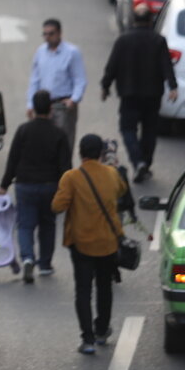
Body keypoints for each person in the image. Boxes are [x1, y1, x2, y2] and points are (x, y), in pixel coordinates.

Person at [52, 134, 127, 354]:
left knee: (83, 290)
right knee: (105, 286)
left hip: (81, 242)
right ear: (101, 154)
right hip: (108, 242)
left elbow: (58, 206)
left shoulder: (71, 177)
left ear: (80, 153)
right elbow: (121, 190)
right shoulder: (111, 174)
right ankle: (102, 330)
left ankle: (88, 339)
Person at [0, 90, 71, 283]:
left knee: (25, 225)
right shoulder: (59, 134)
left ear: (34, 109)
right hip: (50, 186)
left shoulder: (23, 130)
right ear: (51, 109)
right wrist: (67, 191)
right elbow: (65, 167)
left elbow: (13, 159)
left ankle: (28, 257)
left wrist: (4, 185)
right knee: (48, 224)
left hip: (25, 185)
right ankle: (45, 264)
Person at [101, 2, 178, 182]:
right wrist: (172, 87)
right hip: (152, 95)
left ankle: (138, 162)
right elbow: (166, 65)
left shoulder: (123, 40)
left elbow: (112, 66)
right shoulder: (158, 40)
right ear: (151, 19)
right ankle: (145, 162)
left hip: (129, 94)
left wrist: (105, 86)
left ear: (134, 20)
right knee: (150, 130)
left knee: (128, 128)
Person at [26, 18, 86, 150]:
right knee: (43, 144)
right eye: (45, 34)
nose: (47, 37)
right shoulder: (40, 52)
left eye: (51, 33)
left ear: (59, 33)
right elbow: (35, 80)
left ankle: (64, 170)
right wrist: (31, 104)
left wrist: (74, 99)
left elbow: (79, 79)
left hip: (63, 106)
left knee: (64, 143)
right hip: (43, 107)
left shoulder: (71, 52)